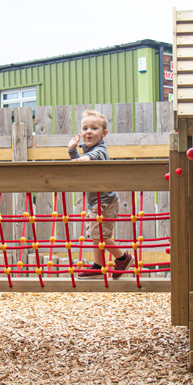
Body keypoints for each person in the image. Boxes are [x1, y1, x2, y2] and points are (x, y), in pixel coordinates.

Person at [67, 109, 133, 279]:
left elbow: (93, 157)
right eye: (85, 128)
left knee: (102, 236)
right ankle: (98, 266)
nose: (89, 131)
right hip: (96, 201)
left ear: (104, 133)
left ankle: (123, 258)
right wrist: (72, 151)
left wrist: (83, 158)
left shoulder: (100, 150)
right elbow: (82, 164)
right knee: (96, 235)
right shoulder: (89, 150)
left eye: (94, 128)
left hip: (105, 202)